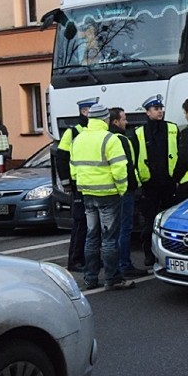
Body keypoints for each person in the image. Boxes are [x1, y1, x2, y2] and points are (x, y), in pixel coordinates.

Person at [70, 103, 135, 291]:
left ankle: (90, 278)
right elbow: (120, 168)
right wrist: (122, 189)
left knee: (91, 236)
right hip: (108, 194)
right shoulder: (110, 139)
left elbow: (74, 167)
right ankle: (112, 278)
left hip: (87, 193)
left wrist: (81, 184)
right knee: (109, 238)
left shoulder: (79, 139)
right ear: (105, 119)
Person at [133, 94, 178, 267]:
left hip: (168, 182)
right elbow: (135, 159)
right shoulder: (139, 133)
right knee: (149, 221)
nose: (160, 111)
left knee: (169, 220)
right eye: (156, 109)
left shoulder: (172, 129)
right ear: (147, 112)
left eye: (161, 108)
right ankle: (149, 254)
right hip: (149, 184)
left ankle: (171, 251)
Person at [54, 97, 97, 272]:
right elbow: (61, 157)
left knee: (91, 225)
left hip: (92, 183)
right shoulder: (73, 132)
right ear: (84, 112)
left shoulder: (93, 131)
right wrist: (66, 182)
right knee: (81, 224)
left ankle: (89, 258)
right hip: (78, 184)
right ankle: (75, 260)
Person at [109, 106, 147, 278]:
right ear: (116, 121)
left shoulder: (106, 138)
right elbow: (127, 167)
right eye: (124, 119)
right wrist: (134, 186)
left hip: (107, 192)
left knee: (110, 231)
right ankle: (124, 264)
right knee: (125, 229)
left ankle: (113, 266)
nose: (127, 122)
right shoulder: (122, 140)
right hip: (124, 190)